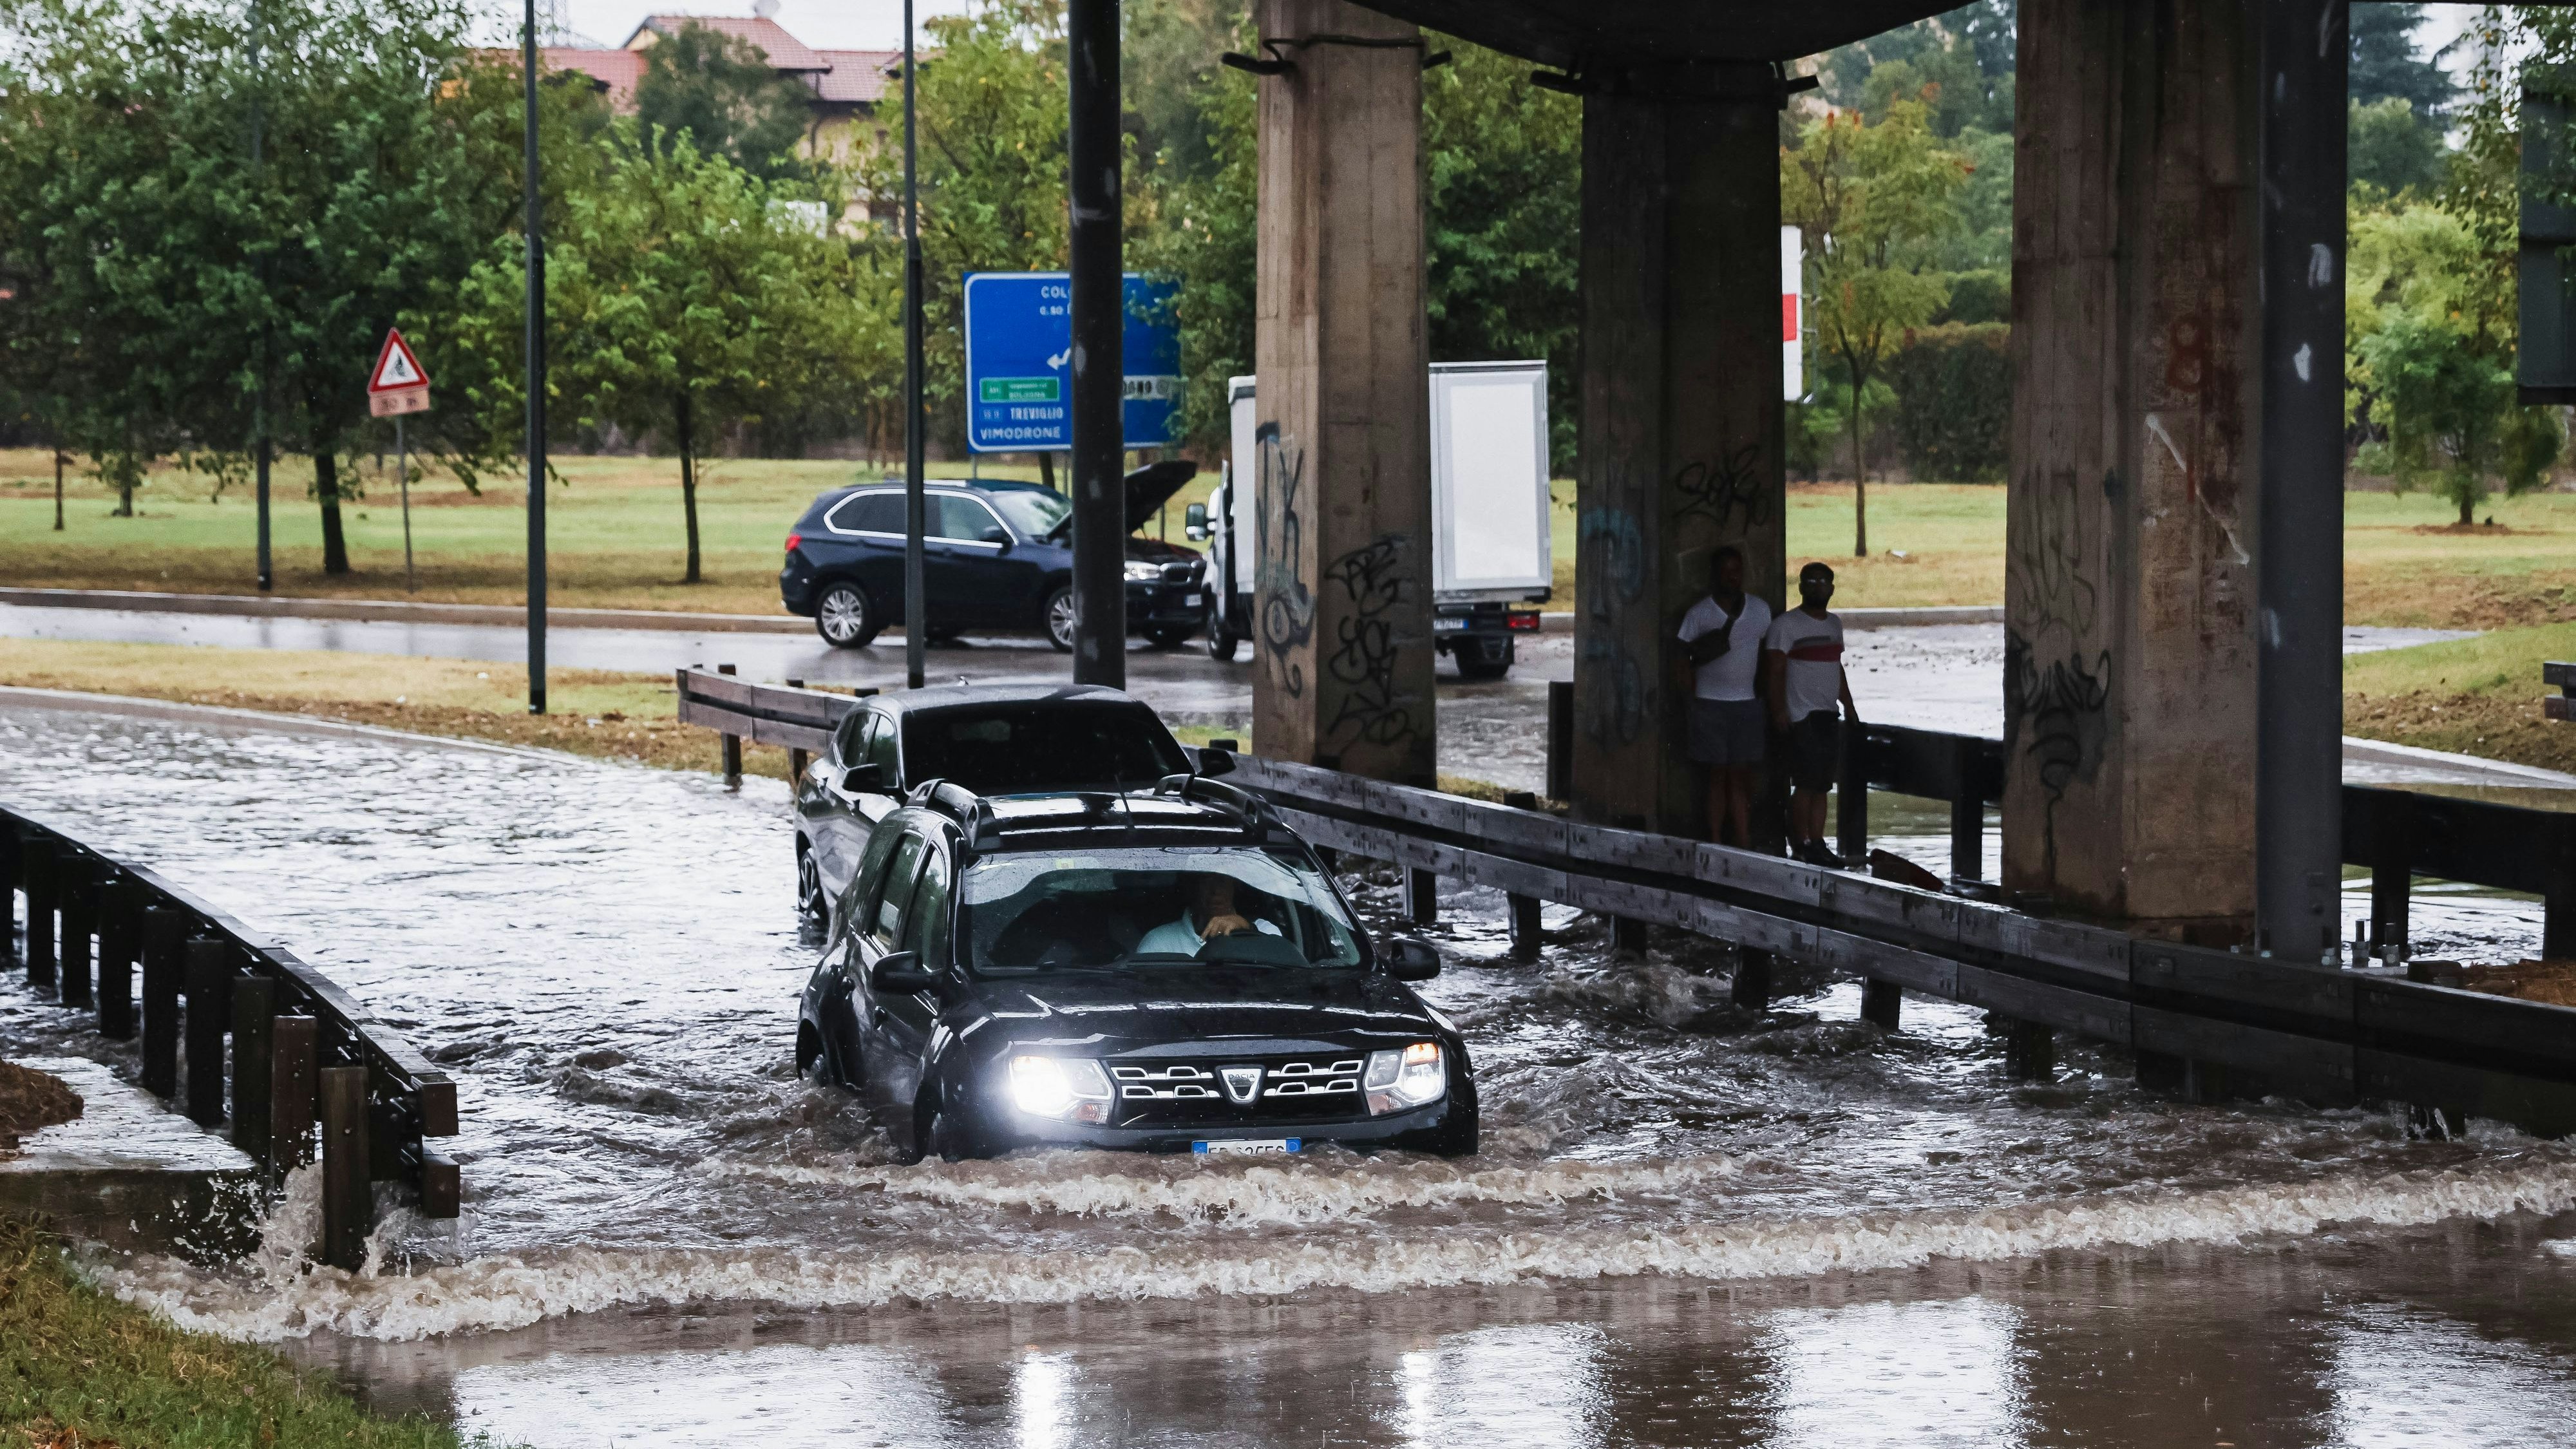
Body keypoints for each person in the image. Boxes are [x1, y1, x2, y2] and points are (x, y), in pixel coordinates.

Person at [1763, 561, 1861, 868]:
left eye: (1824, 582)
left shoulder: (1834, 625)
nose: (1818, 587)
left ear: (1832, 589)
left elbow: (1836, 667)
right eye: (1812, 581)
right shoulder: (1786, 626)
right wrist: (1779, 710)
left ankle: (1817, 842)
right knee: (1805, 783)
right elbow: (1775, 671)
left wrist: (1849, 704)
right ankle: (1801, 844)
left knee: (1822, 785)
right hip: (1801, 715)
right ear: (1802, 587)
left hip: (1827, 714)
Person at [1674, 545, 1773, 847]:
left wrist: (1765, 696)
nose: (1733, 577)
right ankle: (1716, 839)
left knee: (1741, 776)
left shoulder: (1760, 610)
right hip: (1709, 705)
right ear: (1715, 574)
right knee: (1717, 776)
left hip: (1747, 704)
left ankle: (1742, 840)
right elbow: (1679, 657)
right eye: (1726, 571)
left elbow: (1769, 655)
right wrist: (1690, 699)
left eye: (1737, 570)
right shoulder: (1700, 613)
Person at [1137, 873, 1274, 956]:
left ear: (1234, 885)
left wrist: (1248, 930)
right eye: (1207, 880)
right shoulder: (1159, 943)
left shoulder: (1265, 930)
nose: (1216, 891)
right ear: (1192, 887)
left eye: (1223, 880)